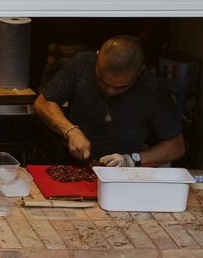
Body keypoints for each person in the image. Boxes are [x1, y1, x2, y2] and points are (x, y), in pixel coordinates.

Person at [31, 37, 185, 167]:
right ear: (97, 58)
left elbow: (176, 147)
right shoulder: (83, 64)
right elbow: (43, 102)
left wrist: (132, 160)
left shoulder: (153, 88)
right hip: (73, 165)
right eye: (102, 82)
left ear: (140, 72)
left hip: (125, 175)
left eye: (121, 87)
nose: (110, 91)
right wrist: (70, 130)